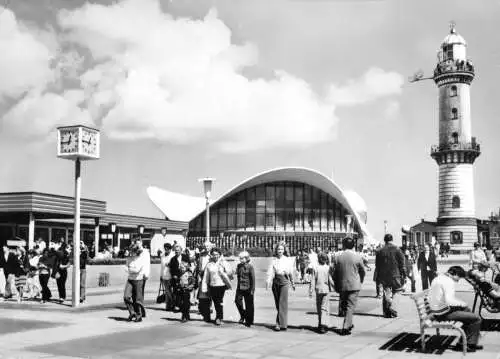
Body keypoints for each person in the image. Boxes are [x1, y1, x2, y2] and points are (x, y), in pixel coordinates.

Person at [429, 266, 482, 352]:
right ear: (455, 274)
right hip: (443, 313)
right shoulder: (448, 282)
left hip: (437, 310)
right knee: (476, 319)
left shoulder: (439, 278)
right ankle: (470, 344)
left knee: (467, 311)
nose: (458, 280)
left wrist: (461, 305)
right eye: (459, 277)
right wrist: (461, 303)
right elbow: (449, 301)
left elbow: (447, 299)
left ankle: (465, 342)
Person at [332, 237, 365, 335]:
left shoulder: (338, 256)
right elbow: (362, 271)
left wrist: (336, 283)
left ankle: (349, 323)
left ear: (344, 245)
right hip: (354, 284)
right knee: (350, 306)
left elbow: (334, 272)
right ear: (353, 246)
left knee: (345, 305)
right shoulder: (357, 256)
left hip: (342, 285)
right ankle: (346, 327)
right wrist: (361, 280)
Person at [266, 242, 295, 331]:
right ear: (276, 250)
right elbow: (270, 272)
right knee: (277, 303)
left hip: (284, 282)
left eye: (282, 249)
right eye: (278, 249)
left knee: (282, 303)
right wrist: (268, 282)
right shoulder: (274, 260)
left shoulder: (287, 260)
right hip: (276, 282)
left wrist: (293, 283)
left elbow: (290, 272)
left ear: (284, 250)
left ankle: (280, 323)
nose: (280, 251)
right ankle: (281, 322)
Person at [375, 234, 406, 318]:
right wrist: (404, 274)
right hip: (395, 274)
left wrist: (378, 276)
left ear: (384, 240)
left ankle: (387, 312)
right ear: (392, 240)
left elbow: (377, 265)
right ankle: (393, 307)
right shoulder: (397, 249)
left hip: (384, 275)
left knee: (386, 291)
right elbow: (402, 263)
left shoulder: (379, 251)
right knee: (397, 290)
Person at [201, 247, 233, 326]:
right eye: (213, 254)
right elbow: (206, 276)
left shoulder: (223, 263)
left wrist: (223, 269)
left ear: (220, 255)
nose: (215, 256)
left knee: (219, 302)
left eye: (217, 254)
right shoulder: (209, 264)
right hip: (212, 285)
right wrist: (204, 287)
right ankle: (218, 317)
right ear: (211, 255)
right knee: (216, 302)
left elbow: (230, 273)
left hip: (221, 285)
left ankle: (219, 318)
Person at [309, 252, 334, 334]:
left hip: (318, 289)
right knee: (324, 307)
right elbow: (330, 279)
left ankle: (320, 323)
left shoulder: (315, 268)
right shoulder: (328, 268)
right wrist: (335, 288)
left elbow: (313, 279)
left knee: (319, 307)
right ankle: (323, 324)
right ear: (326, 259)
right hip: (326, 290)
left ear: (318, 259)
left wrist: (311, 290)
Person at [124, 243, 148, 322]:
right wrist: (130, 270)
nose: (131, 253)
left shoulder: (141, 259)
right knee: (126, 297)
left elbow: (137, 270)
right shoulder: (129, 259)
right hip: (130, 280)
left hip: (138, 280)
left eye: (133, 251)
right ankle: (132, 312)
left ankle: (139, 315)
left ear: (137, 251)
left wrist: (129, 269)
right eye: (130, 251)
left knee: (138, 299)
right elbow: (126, 267)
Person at [235, 251, 255, 327]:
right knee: (237, 301)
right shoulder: (238, 266)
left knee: (249, 305)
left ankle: (249, 320)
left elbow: (253, 279)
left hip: (248, 287)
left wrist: (252, 289)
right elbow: (237, 275)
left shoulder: (250, 267)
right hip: (240, 287)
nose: (241, 260)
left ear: (247, 258)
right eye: (240, 258)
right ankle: (243, 315)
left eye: (242, 258)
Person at [196, 242, 212, 322]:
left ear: (211, 247)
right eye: (205, 246)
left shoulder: (213, 255)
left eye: (208, 246)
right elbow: (198, 265)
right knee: (202, 295)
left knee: (209, 295)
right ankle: (203, 311)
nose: (206, 247)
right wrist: (198, 275)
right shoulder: (201, 255)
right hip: (202, 276)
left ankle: (207, 313)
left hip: (210, 277)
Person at [160, 243, 174, 311]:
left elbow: (174, 265)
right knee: (167, 291)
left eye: (167, 249)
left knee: (169, 291)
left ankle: (172, 304)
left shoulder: (172, 255)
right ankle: (168, 306)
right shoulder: (162, 255)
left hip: (170, 275)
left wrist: (170, 265)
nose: (166, 250)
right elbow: (162, 267)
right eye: (165, 249)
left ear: (170, 249)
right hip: (164, 275)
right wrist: (161, 275)